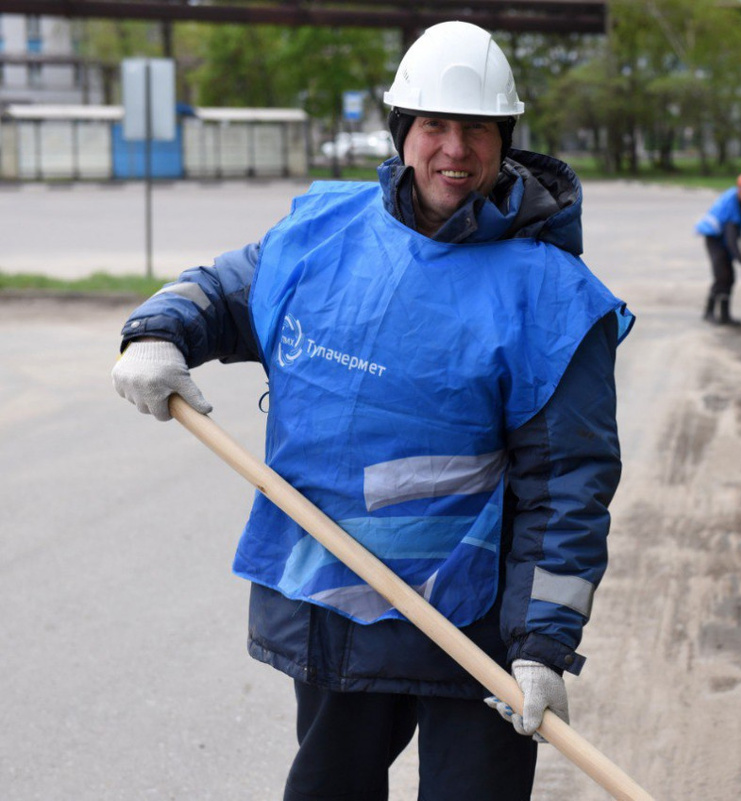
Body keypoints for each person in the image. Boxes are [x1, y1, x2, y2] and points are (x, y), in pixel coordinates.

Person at [111, 20, 633, 801]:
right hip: (337, 602)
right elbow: (221, 290)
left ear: (506, 139)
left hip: (474, 631)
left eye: (478, 129)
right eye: (435, 126)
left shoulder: (550, 297)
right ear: (402, 132)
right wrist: (157, 330)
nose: (455, 149)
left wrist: (543, 644)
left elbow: (569, 486)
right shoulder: (323, 236)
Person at [695, 171, 741, 325]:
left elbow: (735, 233)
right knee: (722, 276)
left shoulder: (740, 201)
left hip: (721, 238)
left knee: (729, 277)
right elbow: (730, 239)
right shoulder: (732, 203)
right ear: (740, 189)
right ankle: (709, 313)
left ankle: (724, 315)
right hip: (714, 239)